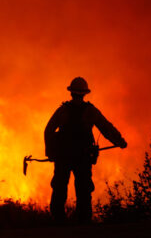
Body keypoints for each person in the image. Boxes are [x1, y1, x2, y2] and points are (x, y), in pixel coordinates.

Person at [44, 77, 127, 223]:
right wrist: (119, 141)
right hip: (83, 157)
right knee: (83, 189)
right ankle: (83, 222)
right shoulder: (90, 111)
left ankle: (58, 221)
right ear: (84, 94)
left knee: (59, 187)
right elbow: (106, 128)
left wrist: (51, 152)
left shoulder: (62, 110)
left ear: (71, 93)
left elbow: (48, 130)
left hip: (63, 157)